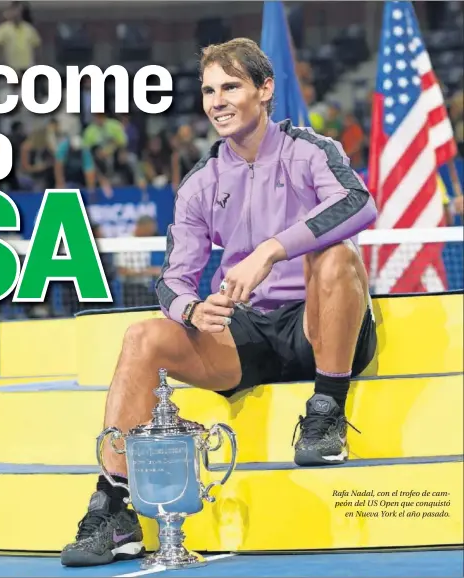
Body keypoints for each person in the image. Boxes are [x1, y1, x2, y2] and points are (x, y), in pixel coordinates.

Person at [60, 37, 378, 568]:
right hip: (248, 333)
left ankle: (327, 413)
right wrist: (190, 310)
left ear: (265, 89)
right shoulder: (200, 182)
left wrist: (272, 252)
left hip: (323, 324)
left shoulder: (310, 149)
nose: (217, 100)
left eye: (231, 86)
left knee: (336, 257)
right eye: (209, 90)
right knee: (143, 336)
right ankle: (114, 509)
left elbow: (358, 202)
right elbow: (172, 281)